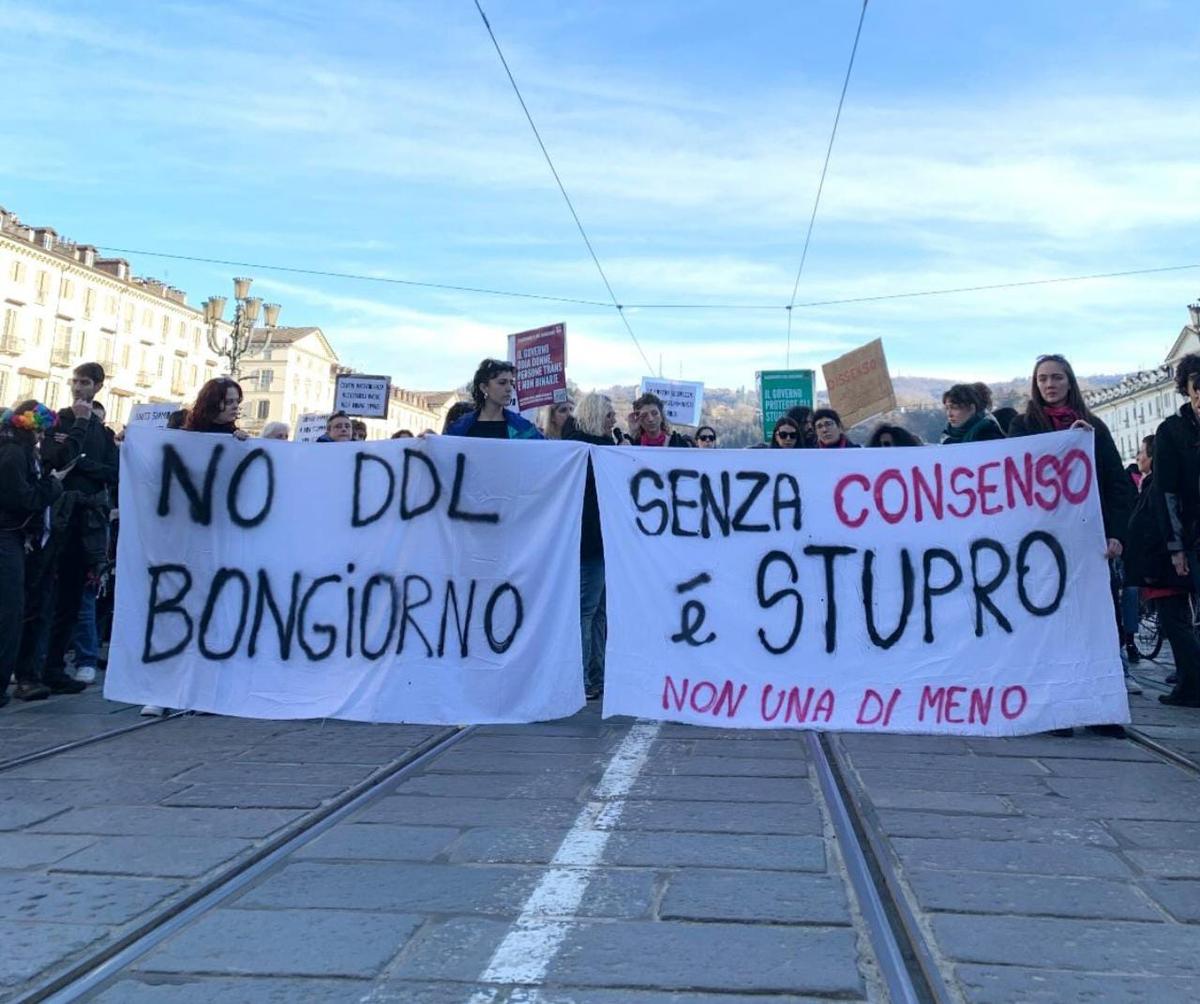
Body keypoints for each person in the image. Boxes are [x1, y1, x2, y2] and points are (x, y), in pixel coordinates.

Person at [1009, 353, 1136, 731]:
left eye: (1057, 378)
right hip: (1040, 544)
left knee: (1095, 623)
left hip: (1087, 543)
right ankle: (1056, 709)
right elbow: (1011, 477)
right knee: (1048, 625)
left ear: (1070, 382)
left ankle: (1099, 707)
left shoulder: (1093, 426)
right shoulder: (1022, 426)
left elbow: (1117, 485)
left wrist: (1117, 534)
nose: (1050, 385)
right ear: (1036, 385)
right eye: (1044, 379)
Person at [38, 363, 119, 696]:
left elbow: (111, 471)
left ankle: (55, 665)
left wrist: (83, 462)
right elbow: (57, 458)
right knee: (42, 595)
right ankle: (33, 664)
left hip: (84, 525)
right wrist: (81, 453)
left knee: (73, 598)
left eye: (85, 383)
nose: (77, 387)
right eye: (75, 381)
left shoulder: (103, 433)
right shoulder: (60, 420)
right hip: (55, 520)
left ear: (98, 387)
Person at [0, 402, 85, 704]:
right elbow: (21, 498)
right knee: (10, 612)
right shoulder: (13, 454)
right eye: (39, 431)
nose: (41, 438)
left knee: (19, 609)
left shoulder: (18, 451)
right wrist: (53, 485)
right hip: (8, 536)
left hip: (16, 536)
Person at [1126, 429, 1199, 706]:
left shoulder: (1158, 485)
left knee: (1176, 625)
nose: (1138, 457)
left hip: (1163, 568)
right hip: (1165, 566)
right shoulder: (1158, 483)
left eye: (1141, 453)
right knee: (1178, 624)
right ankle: (1187, 679)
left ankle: (1192, 683)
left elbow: (1155, 527)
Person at [1147, 352, 1200, 705]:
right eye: (1198, 388)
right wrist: (1176, 546)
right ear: (1187, 390)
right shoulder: (1171, 431)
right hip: (1192, 533)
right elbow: (1165, 491)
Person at [563, 393, 617, 700]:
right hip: (591, 541)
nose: (615, 419)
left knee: (599, 612)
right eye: (609, 414)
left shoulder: (591, 447)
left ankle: (597, 675)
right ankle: (584, 678)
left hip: (601, 542)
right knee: (588, 611)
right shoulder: (582, 451)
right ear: (596, 416)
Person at [445, 359, 543, 439]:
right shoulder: (460, 428)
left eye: (511, 383)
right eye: (502, 382)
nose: (509, 389)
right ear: (484, 387)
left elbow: (545, 451)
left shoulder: (523, 427)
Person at [184, 378, 248, 438]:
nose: (235, 406)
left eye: (238, 401)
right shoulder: (187, 434)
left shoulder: (236, 435)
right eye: (228, 402)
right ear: (212, 403)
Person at [940, 384, 1004, 444]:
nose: (949, 414)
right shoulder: (947, 435)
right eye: (947, 408)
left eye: (954, 408)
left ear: (972, 408)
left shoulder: (988, 435)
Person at [622, 392, 690, 447]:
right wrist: (633, 432)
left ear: (661, 416)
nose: (650, 419)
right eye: (644, 415)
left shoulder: (678, 443)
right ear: (639, 420)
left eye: (654, 413)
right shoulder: (630, 445)